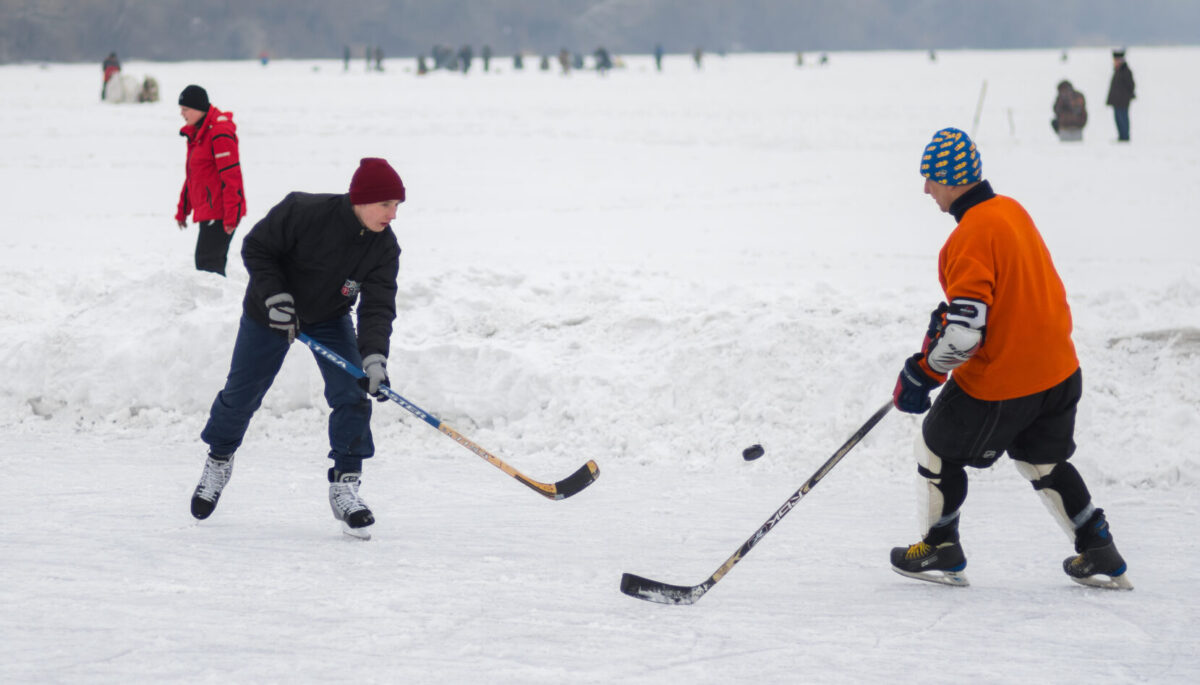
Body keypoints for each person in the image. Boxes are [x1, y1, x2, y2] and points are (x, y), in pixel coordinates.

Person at [889, 127, 1132, 590]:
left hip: (1007, 380)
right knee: (1044, 462)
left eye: (930, 178)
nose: (925, 189)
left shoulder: (968, 237)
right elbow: (1008, 295)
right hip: (1059, 370)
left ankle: (941, 547)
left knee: (935, 448)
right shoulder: (1011, 211)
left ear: (951, 178)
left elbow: (964, 335)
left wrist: (922, 373)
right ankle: (1099, 548)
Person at [190, 158, 406, 540]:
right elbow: (256, 247)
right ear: (361, 199)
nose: (393, 214)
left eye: (397, 206)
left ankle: (345, 484)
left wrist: (373, 358)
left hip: (328, 318)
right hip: (270, 314)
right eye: (386, 204)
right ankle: (219, 458)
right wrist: (276, 297)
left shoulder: (383, 247)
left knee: (353, 395)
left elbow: (377, 306)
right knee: (242, 395)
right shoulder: (303, 211)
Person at [175, 85, 246, 276]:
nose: (182, 114)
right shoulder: (198, 135)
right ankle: (215, 303)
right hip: (208, 209)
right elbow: (194, 176)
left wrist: (232, 215)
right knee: (205, 264)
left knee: (208, 265)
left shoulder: (219, 133)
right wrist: (183, 209)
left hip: (221, 211)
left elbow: (232, 177)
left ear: (199, 109)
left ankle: (218, 305)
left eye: (185, 109)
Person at [1106, 49, 1135, 142]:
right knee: (1118, 119)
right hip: (1117, 100)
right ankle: (1121, 136)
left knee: (1123, 118)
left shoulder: (1125, 71)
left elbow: (1131, 85)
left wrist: (1126, 96)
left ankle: (1125, 136)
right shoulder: (1118, 71)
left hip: (1123, 100)